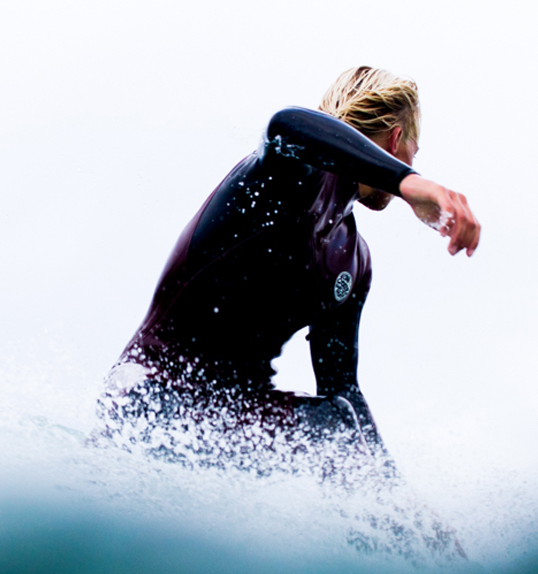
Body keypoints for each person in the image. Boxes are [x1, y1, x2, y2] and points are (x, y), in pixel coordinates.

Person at [95, 67, 480, 466]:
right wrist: (410, 183)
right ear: (397, 139)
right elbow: (286, 125)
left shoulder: (353, 261)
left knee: (338, 422)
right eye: (415, 150)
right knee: (336, 428)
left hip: (231, 418)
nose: (414, 160)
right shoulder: (295, 176)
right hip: (152, 396)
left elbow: (342, 391)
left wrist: (398, 508)